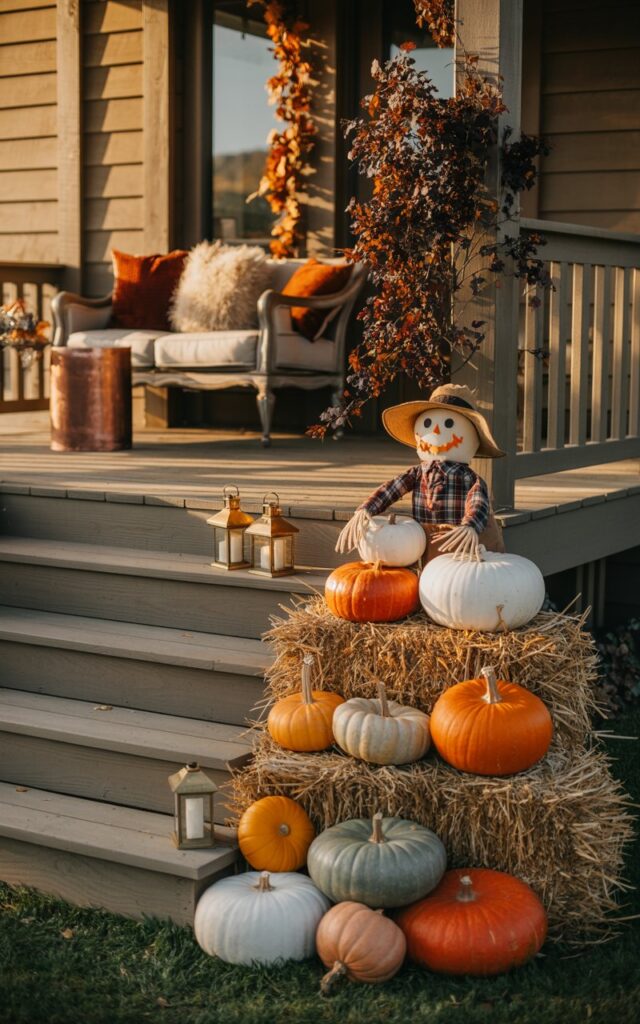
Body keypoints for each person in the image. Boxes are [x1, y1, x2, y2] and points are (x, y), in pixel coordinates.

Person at [337, 383, 506, 561]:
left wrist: (470, 525)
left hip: (459, 540)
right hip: (424, 539)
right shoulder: (417, 473)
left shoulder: (469, 478)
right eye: (428, 423)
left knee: (456, 579)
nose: (436, 431)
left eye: (448, 424)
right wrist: (366, 509)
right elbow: (392, 489)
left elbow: (477, 502)